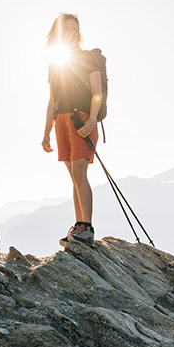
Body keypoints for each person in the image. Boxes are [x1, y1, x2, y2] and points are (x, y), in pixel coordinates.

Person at [41, 13, 103, 245]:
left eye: (74, 28)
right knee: (74, 177)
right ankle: (79, 225)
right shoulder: (55, 63)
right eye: (66, 29)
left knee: (79, 173)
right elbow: (52, 101)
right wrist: (46, 131)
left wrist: (92, 120)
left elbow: (97, 92)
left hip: (82, 119)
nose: (71, 32)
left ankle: (86, 227)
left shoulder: (87, 58)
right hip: (62, 120)